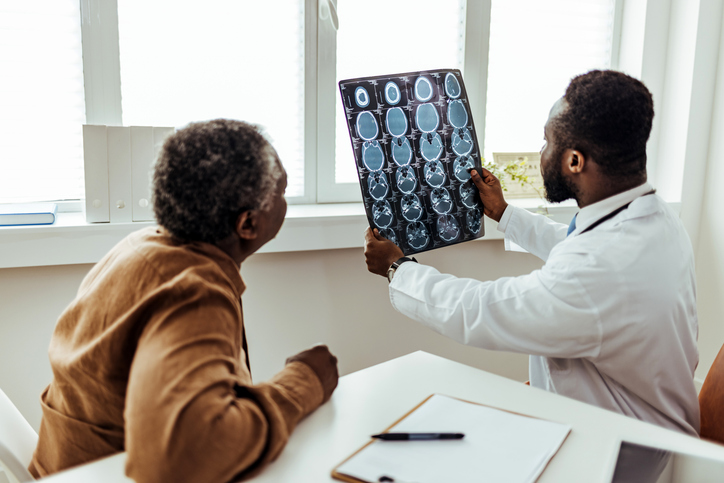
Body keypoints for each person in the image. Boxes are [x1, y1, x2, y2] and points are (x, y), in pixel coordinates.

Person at [364, 70, 700, 437]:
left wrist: (399, 268)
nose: (541, 153)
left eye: (547, 142)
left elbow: (482, 310)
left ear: (575, 161)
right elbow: (578, 251)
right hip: (641, 419)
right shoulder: (655, 218)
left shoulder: (599, 269)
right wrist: (505, 214)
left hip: (615, 452)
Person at [29, 119, 339, 482]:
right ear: (248, 224)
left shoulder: (140, 247)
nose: (285, 202)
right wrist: (301, 383)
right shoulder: (193, 289)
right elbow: (181, 457)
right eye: (282, 192)